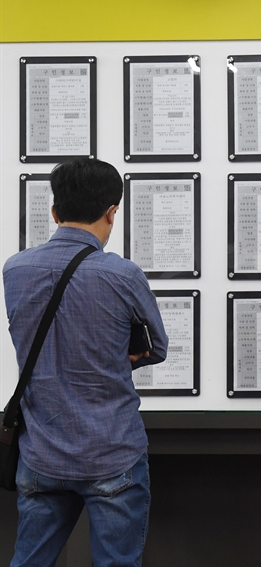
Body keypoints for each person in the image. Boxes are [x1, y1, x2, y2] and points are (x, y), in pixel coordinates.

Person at [3, 158, 168, 567]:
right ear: (112, 213)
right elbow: (158, 347)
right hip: (111, 450)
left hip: (41, 450)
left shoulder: (15, 269)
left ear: (55, 212)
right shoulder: (123, 274)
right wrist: (118, 358)